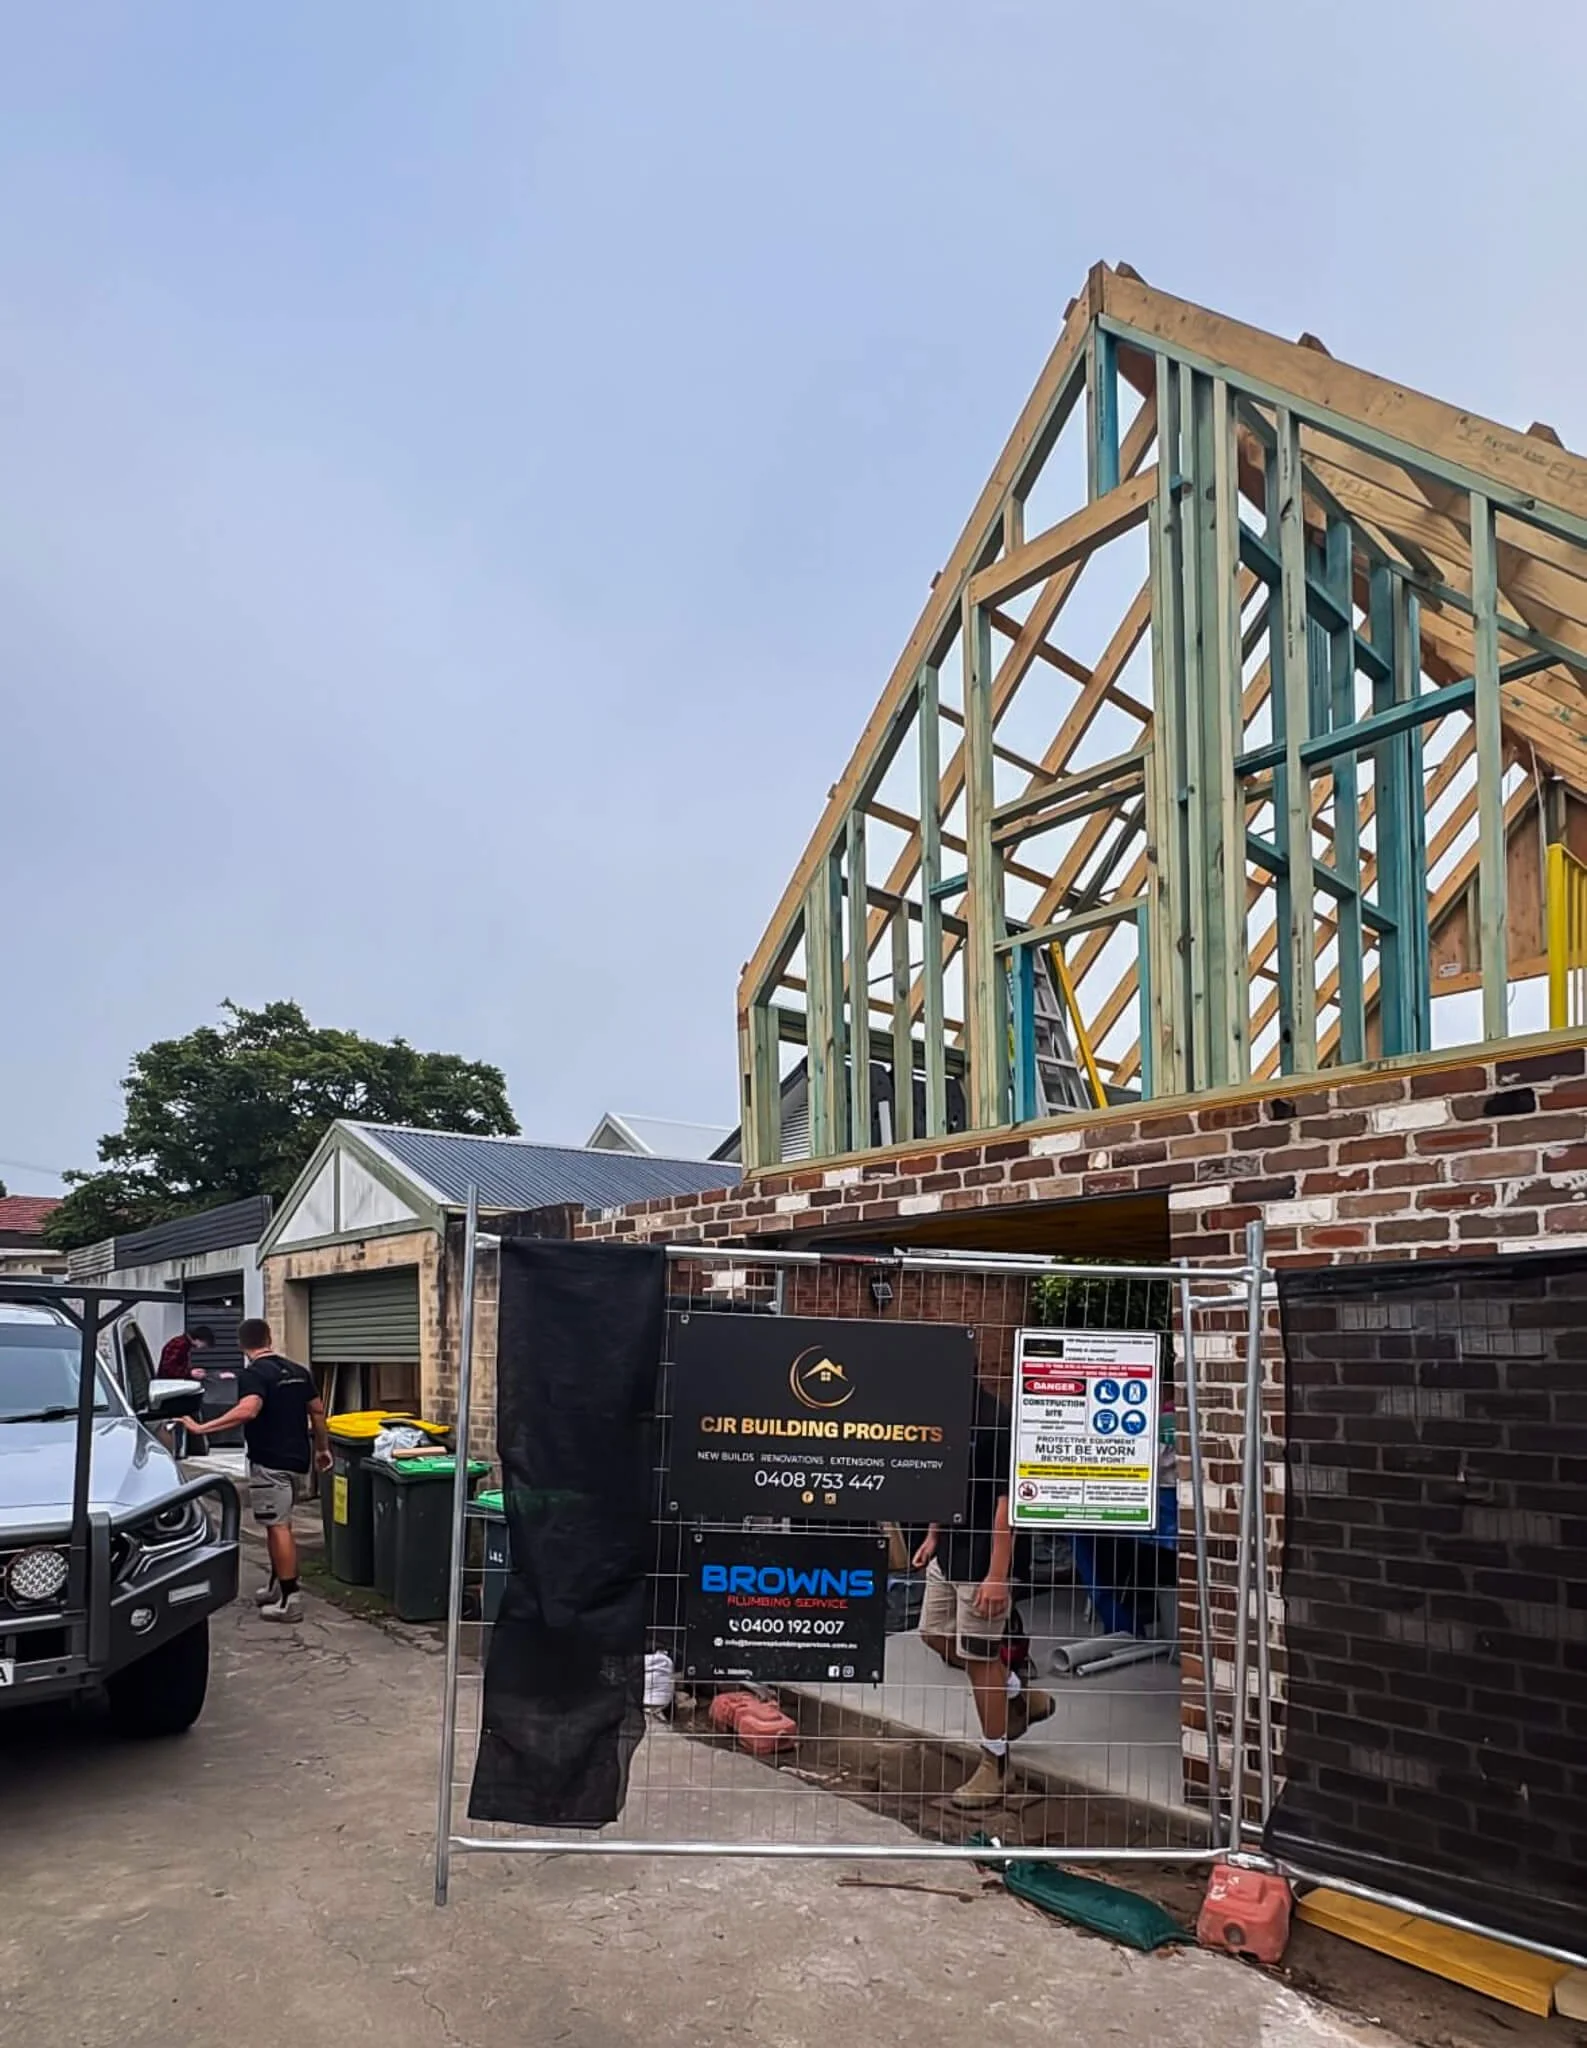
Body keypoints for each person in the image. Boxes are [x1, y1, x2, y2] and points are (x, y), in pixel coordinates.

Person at [914, 1382, 1054, 1808]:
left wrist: (998, 1575)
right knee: (934, 1633)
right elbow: (944, 1479)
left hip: (983, 1560)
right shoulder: (941, 1413)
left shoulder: (997, 1422)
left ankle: (996, 1766)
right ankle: (1019, 1696)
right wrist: (933, 1535)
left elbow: (1007, 1503)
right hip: (949, 1551)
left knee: (978, 1658)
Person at [183, 1317, 331, 1623]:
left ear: (241, 1345)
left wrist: (202, 1427)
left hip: (270, 1461)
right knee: (279, 1523)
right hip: (298, 1460)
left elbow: (249, 1410)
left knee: (278, 1526)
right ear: (269, 1338)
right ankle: (277, 1585)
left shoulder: (253, 1375)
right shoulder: (297, 1371)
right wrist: (322, 1449)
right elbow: (317, 1410)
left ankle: (290, 1599)